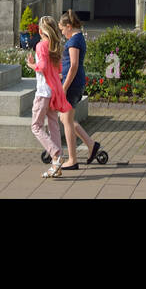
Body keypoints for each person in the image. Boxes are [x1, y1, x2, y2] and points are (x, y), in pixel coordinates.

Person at [25, 15, 69, 178]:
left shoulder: (41, 45)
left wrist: (31, 65)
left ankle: (55, 153)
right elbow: (58, 69)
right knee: (53, 125)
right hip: (54, 90)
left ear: (42, 30)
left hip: (43, 91)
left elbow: (42, 66)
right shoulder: (55, 45)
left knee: (35, 126)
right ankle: (56, 165)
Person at [57, 9, 100, 169]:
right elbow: (71, 66)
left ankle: (72, 160)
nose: (62, 33)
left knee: (66, 121)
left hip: (73, 85)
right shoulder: (78, 38)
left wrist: (64, 87)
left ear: (69, 26)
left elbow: (74, 65)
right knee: (65, 119)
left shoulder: (74, 41)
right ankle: (91, 144)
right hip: (75, 82)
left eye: (62, 29)